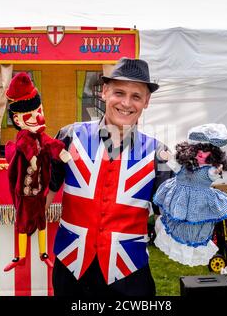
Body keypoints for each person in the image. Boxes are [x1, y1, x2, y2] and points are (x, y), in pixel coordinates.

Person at [45, 57, 173, 296]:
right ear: (104, 92)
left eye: (136, 96)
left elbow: (170, 215)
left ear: (147, 101)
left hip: (129, 272)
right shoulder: (69, 136)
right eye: (119, 92)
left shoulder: (159, 154)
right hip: (71, 268)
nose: (126, 103)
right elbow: (44, 195)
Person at [3, 72, 69, 272]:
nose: (38, 116)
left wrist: (61, 152)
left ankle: (44, 254)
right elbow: (24, 145)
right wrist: (32, 157)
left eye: (38, 110)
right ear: (18, 119)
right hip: (25, 194)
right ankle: (20, 256)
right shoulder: (24, 135)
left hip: (39, 193)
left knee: (42, 222)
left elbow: (51, 143)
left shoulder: (41, 136)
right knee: (22, 224)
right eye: (31, 114)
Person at [153, 123, 227, 266]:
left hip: (198, 201)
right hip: (180, 198)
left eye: (206, 151)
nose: (201, 153)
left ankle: (191, 246)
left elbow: (213, 175)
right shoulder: (185, 165)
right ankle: (175, 241)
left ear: (214, 155)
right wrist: (168, 157)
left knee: (194, 224)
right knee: (175, 221)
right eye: (198, 150)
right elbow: (175, 167)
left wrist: (216, 172)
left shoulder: (209, 171)